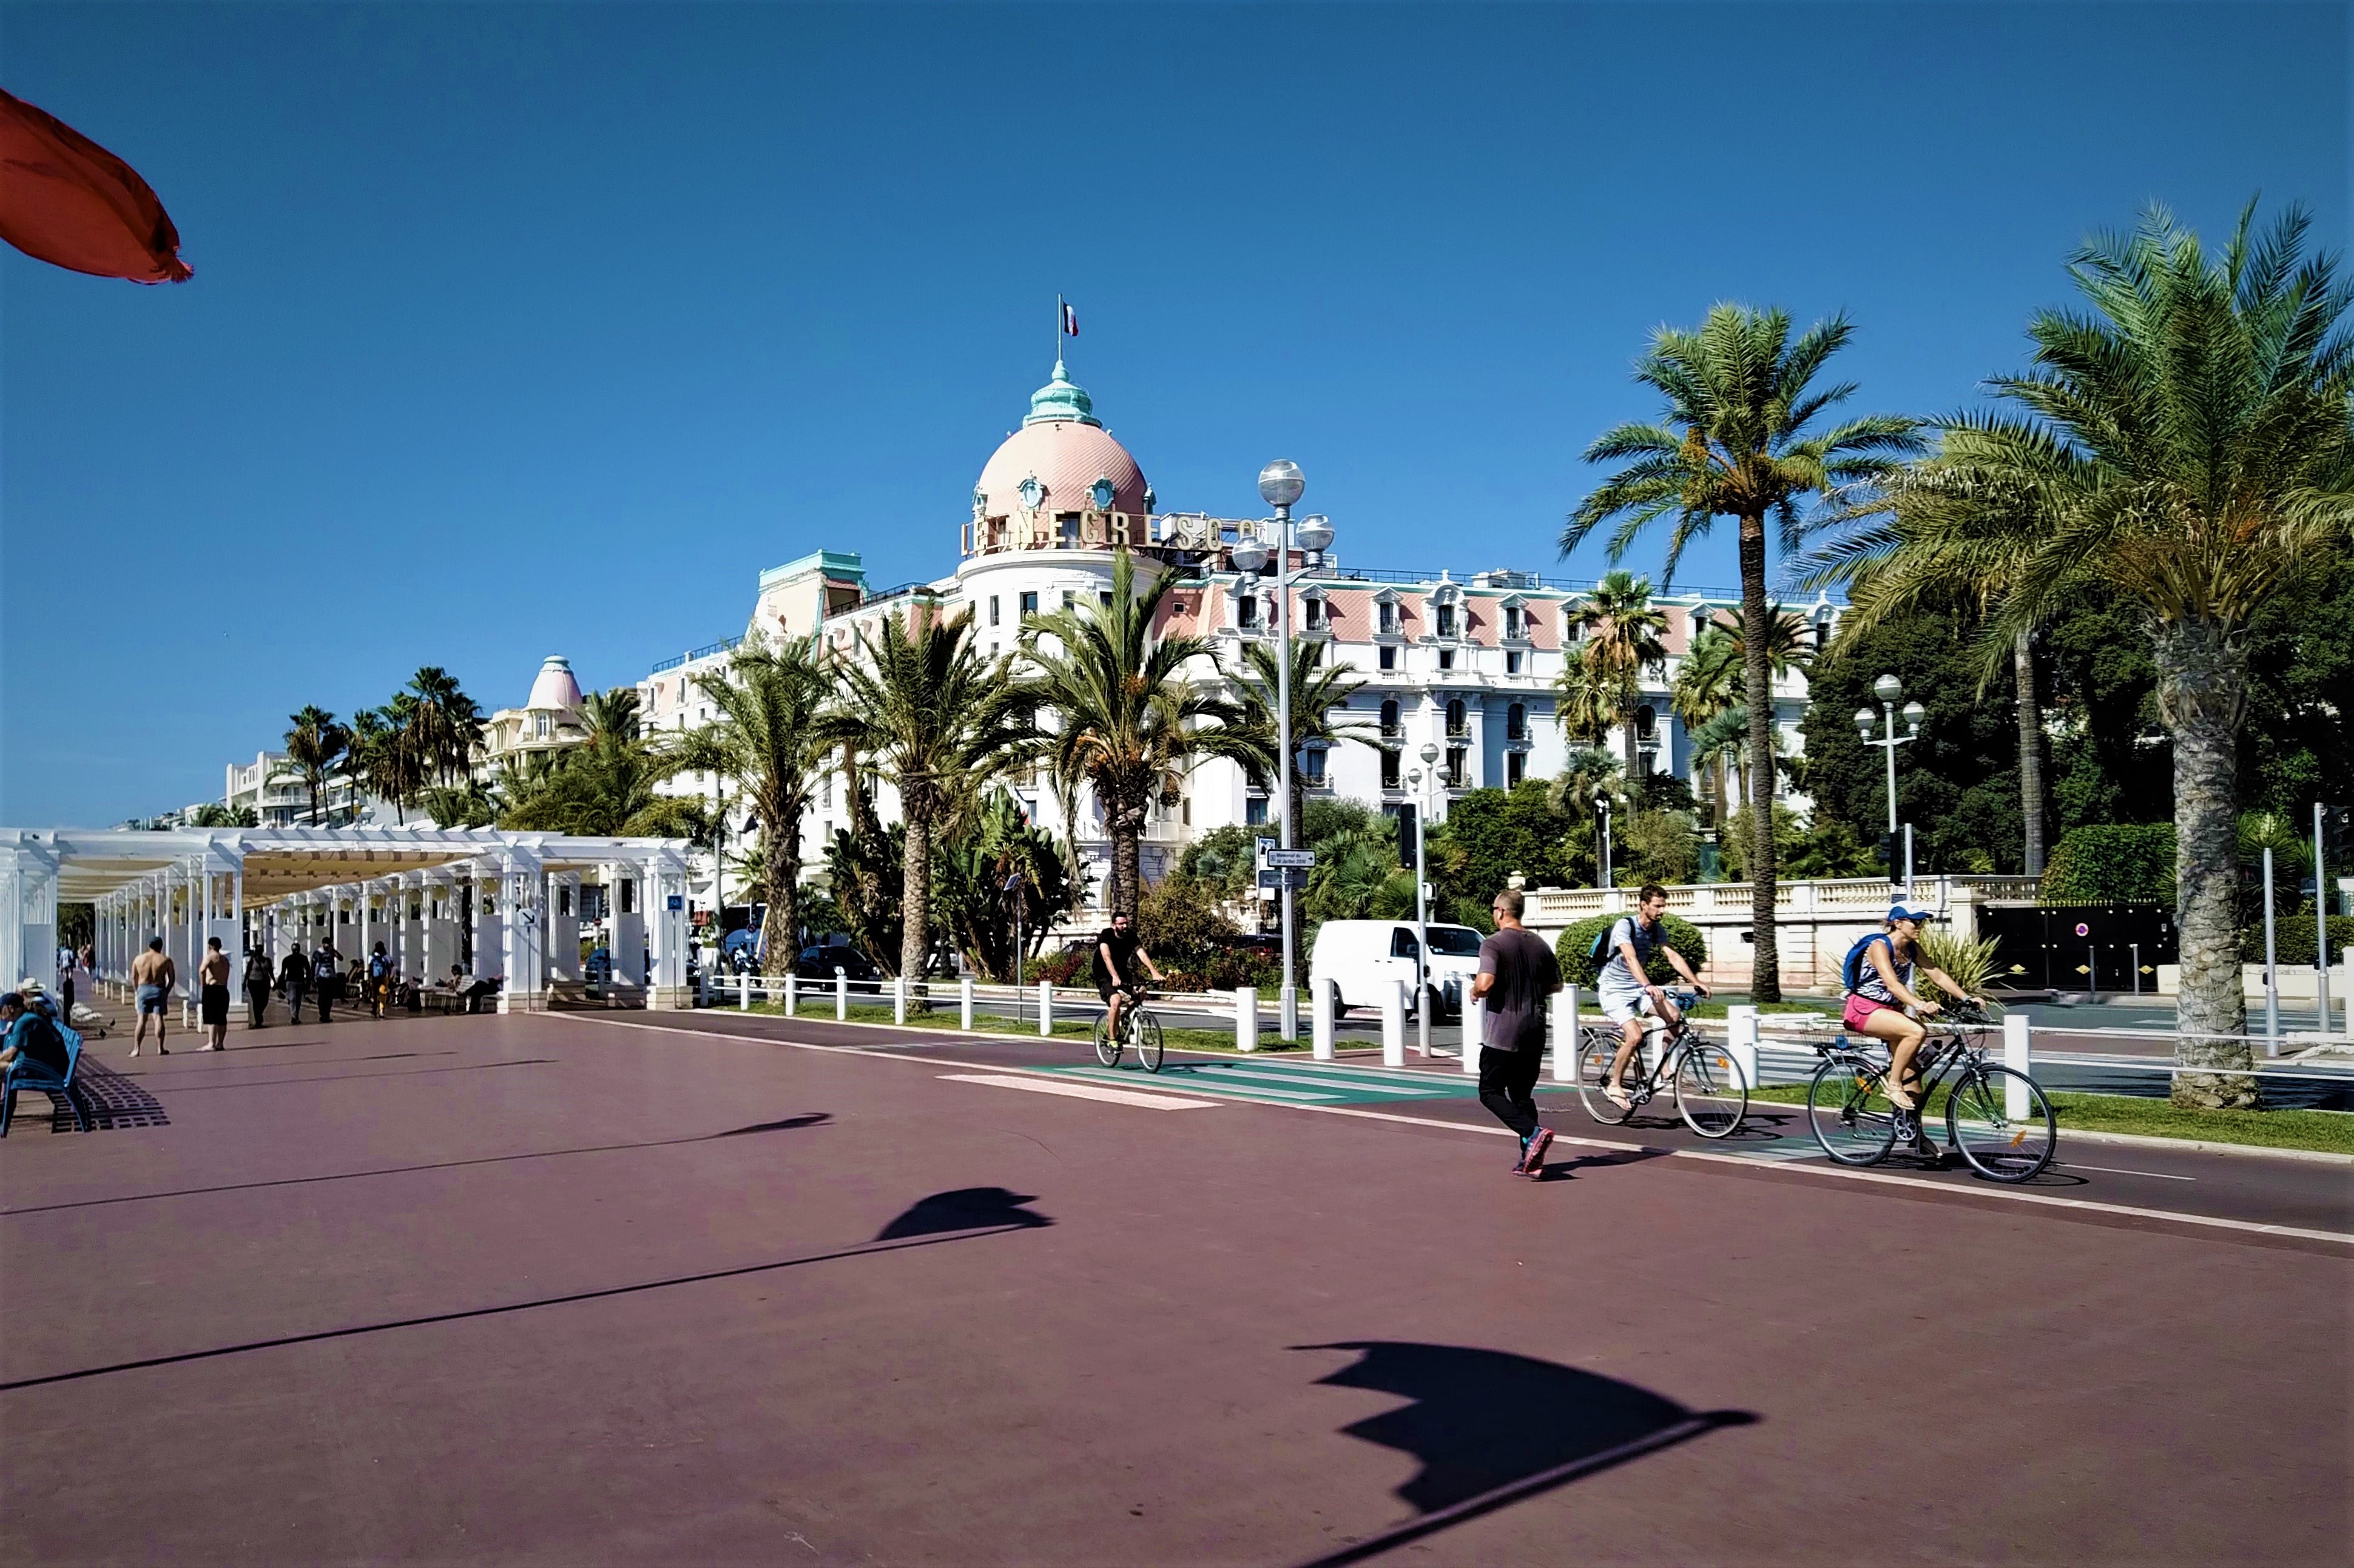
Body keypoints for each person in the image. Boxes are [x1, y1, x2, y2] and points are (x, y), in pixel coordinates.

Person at [1843, 904, 1980, 1156]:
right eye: (1915, 922)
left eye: (1922, 922)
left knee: (1914, 1079)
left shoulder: (1912, 948)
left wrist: (1966, 998)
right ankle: (1893, 1085)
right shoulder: (1879, 946)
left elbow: (1936, 973)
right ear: (1897, 923)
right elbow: (1892, 983)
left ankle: (1915, 1134)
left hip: (1891, 1012)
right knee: (1916, 1031)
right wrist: (1918, 1004)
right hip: (1864, 1010)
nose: (1920, 927)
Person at [1471, 887, 1563, 1177]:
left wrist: (1475, 990)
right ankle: (1530, 1159)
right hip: (1534, 1031)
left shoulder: (1493, 944)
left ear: (1500, 912)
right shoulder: (1541, 945)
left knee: (1490, 1092)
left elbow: (1486, 983)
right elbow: (1557, 985)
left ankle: (1532, 1133)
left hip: (1504, 1032)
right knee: (1522, 1095)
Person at [1596, 885, 1711, 1110]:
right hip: (1614, 990)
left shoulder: (1657, 929)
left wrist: (1694, 981)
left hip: (1637, 987)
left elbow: (1672, 956)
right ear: (1644, 905)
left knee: (1674, 1016)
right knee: (1635, 1036)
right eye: (1658, 906)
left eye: (1663, 906)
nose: (1662, 911)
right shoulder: (1625, 926)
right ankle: (1615, 1084)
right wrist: (1648, 985)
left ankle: (1665, 1069)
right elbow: (1630, 958)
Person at [1093, 911, 1164, 1043]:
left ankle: (1125, 1016)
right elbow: (1106, 957)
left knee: (1141, 991)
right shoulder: (1107, 935)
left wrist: (1154, 972)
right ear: (1114, 925)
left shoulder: (1130, 935)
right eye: (1121, 924)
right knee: (1116, 1000)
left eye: (1126, 923)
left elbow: (1141, 954)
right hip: (1103, 973)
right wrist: (1114, 976)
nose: (1125, 926)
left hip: (1122, 971)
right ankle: (1112, 1039)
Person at [0, 991, 72, 1079]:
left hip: (47, 1070)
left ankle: (6, 1093)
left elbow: (11, 1053)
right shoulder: (26, 1017)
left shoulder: (24, 1022)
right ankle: (6, 1093)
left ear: (11, 1009)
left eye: (1, 1010)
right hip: (44, 1065)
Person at [129, 935, 174, 1056]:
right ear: (161, 947)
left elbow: (133, 977)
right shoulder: (165, 960)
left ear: (149, 946)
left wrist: (137, 991)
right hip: (158, 989)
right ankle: (160, 1048)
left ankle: (137, 1049)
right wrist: (166, 991)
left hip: (143, 989)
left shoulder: (139, 959)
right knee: (158, 1018)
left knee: (141, 1020)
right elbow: (172, 978)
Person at [196, 936, 232, 1051]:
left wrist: (203, 985)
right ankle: (220, 1043)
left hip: (212, 988)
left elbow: (202, 970)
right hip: (223, 989)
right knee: (222, 1018)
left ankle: (211, 1043)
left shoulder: (210, 957)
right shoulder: (225, 960)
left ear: (210, 946)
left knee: (212, 1017)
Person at [279, 943, 312, 1025]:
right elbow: (308, 971)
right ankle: (295, 1016)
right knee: (296, 1000)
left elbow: (283, 973)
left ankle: (295, 1016)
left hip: (291, 981)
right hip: (299, 981)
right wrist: (308, 982)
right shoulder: (303, 958)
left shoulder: (287, 959)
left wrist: (282, 984)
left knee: (293, 999)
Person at [243, 946, 274, 1027]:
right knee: (256, 1001)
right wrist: (244, 983)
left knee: (265, 1000)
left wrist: (274, 982)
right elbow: (248, 971)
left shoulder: (267, 960)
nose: (260, 952)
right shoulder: (252, 961)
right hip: (254, 983)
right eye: (258, 951)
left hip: (265, 983)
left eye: (261, 950)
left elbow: (271, 972)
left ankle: (259, 1014)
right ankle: (258, 1020)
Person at [312, 939, 339, 1023]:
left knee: (329, 997)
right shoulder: (318, 953)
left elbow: (341, 958)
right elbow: (313, 966)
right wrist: (312, 979)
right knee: (322, 996)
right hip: (321, 977)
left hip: (331, 977)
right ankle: (322, 1013)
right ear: (324, 944)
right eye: (328, 945)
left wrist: (334, 950)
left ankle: (327, 1014)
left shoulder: (332, 952)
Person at [366, 943, 393, 1019]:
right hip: (384, 977)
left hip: (375, 978)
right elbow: (389, 967)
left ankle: (374, 1010)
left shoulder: (371, 957)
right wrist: (389, 977)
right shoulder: (386, 956)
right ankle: (382, 1011)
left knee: (374, 995)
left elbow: (370, 968)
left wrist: (369, 978)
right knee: (383, 995)